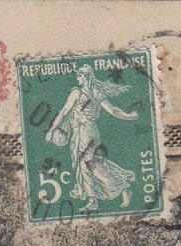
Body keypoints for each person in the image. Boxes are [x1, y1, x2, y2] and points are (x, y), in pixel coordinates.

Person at [45, 64, 138, 212]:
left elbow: (111, 109)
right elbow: (64, 113)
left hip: (86, 130)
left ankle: (119, 188)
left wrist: (127, 116)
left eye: (80, 75)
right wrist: (52, 130)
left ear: (86, 76)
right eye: (77, 76)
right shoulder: (85, 93)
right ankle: (96, 197)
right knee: (87, 163)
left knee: (87, 162)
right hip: (80, 131)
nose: (78, 78)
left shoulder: (86, 92)